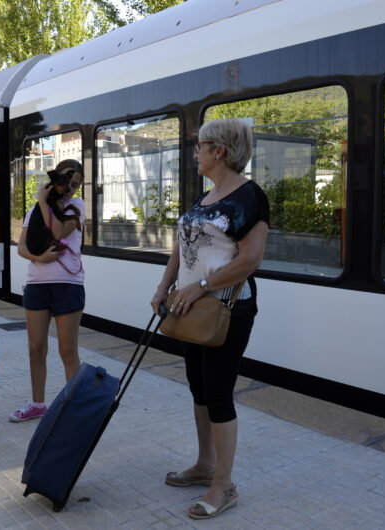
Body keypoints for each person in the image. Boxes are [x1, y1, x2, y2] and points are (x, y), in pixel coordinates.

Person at [150, 119, 269, 520]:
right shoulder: (206, 197)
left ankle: (224, 485)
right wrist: (164, 287)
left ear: (219, 150)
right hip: (190, 308)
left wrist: (198, 287)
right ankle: (204, 465)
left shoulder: (250, 196)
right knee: (198, 388)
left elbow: (250, 260)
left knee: (218, 393)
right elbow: (181, 248)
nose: (195, 153)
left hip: (226, 310)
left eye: (199, 146)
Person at [10, 159, 85, 422]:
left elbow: (58, 230)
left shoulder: (76, 206)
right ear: (55, 178)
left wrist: (43, 201)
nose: (70, 189)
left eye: (75, 184)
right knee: (36, 349)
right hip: (37, 284)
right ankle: (37, 404)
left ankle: (74, 409)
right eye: (66, 181)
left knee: (68, 351)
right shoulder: (34, 209)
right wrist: (39, 258)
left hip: (67, 286)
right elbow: (21, 247)